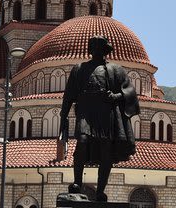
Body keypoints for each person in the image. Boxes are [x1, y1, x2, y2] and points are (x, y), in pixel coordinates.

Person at [59, 35, 139, 202]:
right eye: (93, 47)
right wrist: (63, 115)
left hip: (106, 113)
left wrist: (116, 96)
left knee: (106, 151)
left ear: (105, 51)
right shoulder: (79, 69)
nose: (96, 51)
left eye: (100, 48)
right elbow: (69, 95)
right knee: (81, 144)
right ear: (90, 50)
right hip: (86, 111)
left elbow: (130, 92)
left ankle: (100, 191)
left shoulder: (116, 69)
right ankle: (77, 184)